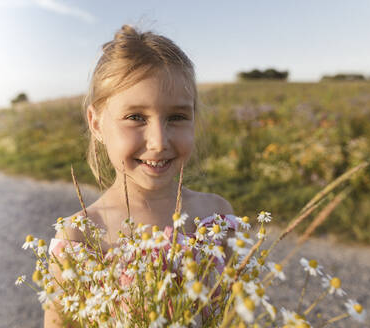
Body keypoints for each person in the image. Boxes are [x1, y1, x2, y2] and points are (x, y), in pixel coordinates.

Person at [44, 24, 236, 328]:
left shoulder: (216, 218)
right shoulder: (79, 240)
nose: (158, 141)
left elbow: (236, 316)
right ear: (96, 123)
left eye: (177, 117)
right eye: (136, 117)